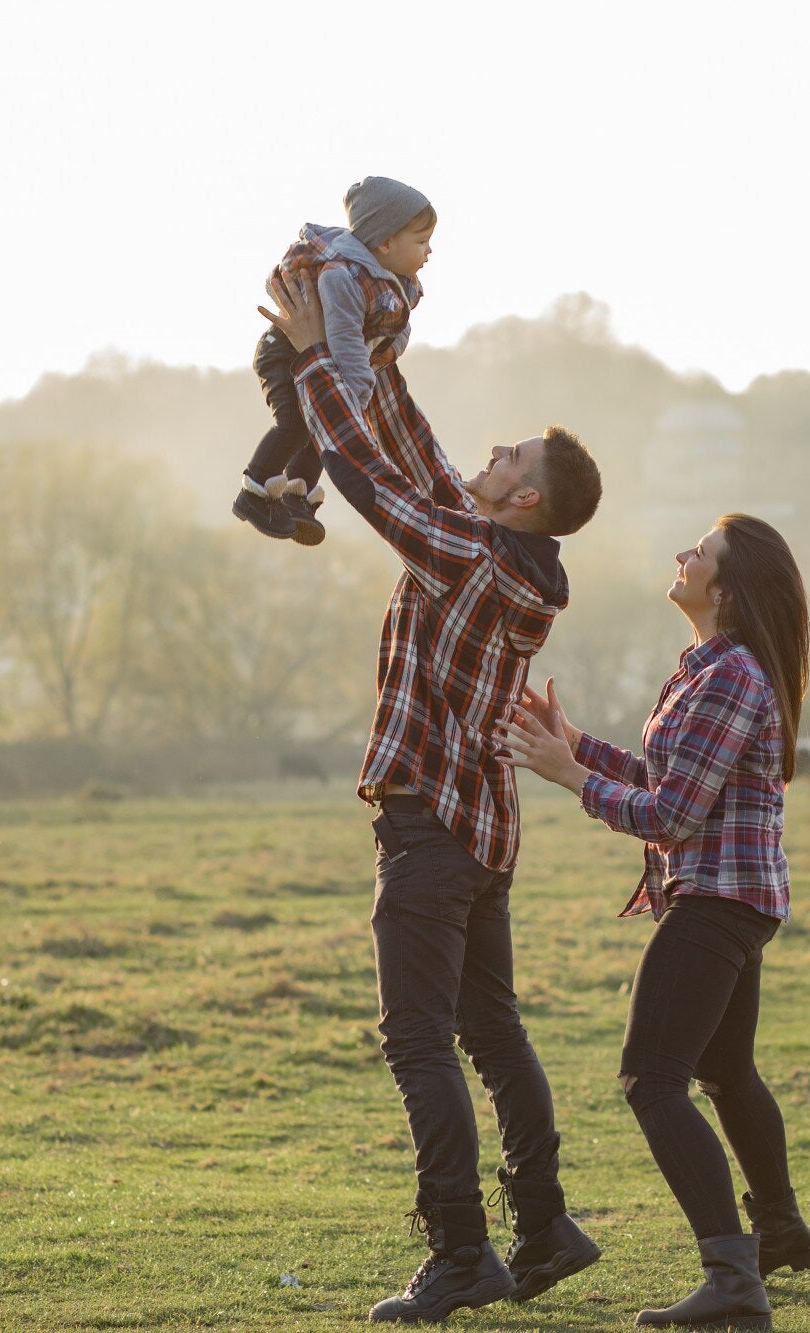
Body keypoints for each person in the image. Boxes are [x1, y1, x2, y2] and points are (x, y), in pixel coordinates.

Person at [259, 270, 606, 1323]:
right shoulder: (498, 544)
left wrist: (319, 364)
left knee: (417, 1040)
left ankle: (461, 1250)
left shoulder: (476, 555)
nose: (487, 455)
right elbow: (406, 442)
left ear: (526, 498)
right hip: (483, 832)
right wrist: (370, 351)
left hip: (430, 832)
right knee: (492, 1033)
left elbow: (368, 482)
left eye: (507, 456)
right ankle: (543, 1228)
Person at [502, 515, 810, 1331]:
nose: (683, 556)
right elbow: (667, 774)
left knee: (652, 1078)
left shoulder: (731, 676)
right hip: (734, 895)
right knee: (727, 1074)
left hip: (715, 898)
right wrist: (577, 744)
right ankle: (779, 1231)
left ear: (726, 585)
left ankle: (732, 1275)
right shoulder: (710, 667)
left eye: (700, 553)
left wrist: (570, 776)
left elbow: (674, 814)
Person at [234, 176, 435, 546]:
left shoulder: (398, 281)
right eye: (421, 242)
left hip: (319, 359)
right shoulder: (343, 277)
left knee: (320, 429)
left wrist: (389, 351)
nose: (430, 251)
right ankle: (255, 490)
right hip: (284, 353)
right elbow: (344, 341)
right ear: (385, 242)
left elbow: (399, 323)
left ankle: (298, 497)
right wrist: (354, 396)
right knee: (296, 424)